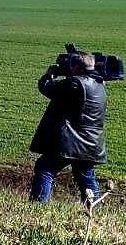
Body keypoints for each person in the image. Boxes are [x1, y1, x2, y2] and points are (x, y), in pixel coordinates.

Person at [29, 51, 107, 203]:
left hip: (70, 142)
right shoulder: (100, 84)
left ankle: (38, 205)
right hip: (91, 143)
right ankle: (94, 208)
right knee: (85, 175)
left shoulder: (75, 83)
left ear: (76, 67)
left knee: (45, 168)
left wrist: (49, 75)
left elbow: (47, 88)